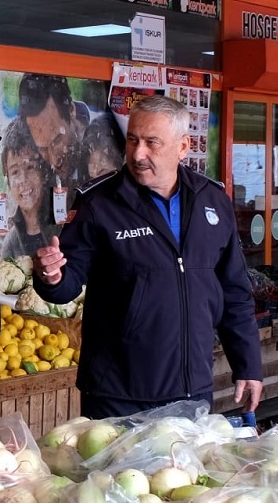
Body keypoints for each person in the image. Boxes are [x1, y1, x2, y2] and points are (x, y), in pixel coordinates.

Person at [31, 95, 263, 418]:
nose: (138, 154)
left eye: (152, 143)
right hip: (117, 395)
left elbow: (235, 292)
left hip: (190, 391)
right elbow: (67, 281)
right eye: (132, 141)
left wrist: (248, 364)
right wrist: (50, 276)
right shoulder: (98, 204)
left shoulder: (213, 202)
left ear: (183, 147)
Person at [0, 117, 59, 258]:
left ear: (44, 172)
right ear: (8, 182)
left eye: (30, 167)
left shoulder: (60, 226)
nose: (22, 180)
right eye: (14, 172)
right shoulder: (11, 242)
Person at [17, 73, 88, 189]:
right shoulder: (30, 160)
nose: (54, 161)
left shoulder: (104, 137)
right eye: (42, 149)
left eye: (57, 140)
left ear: (71, 110)